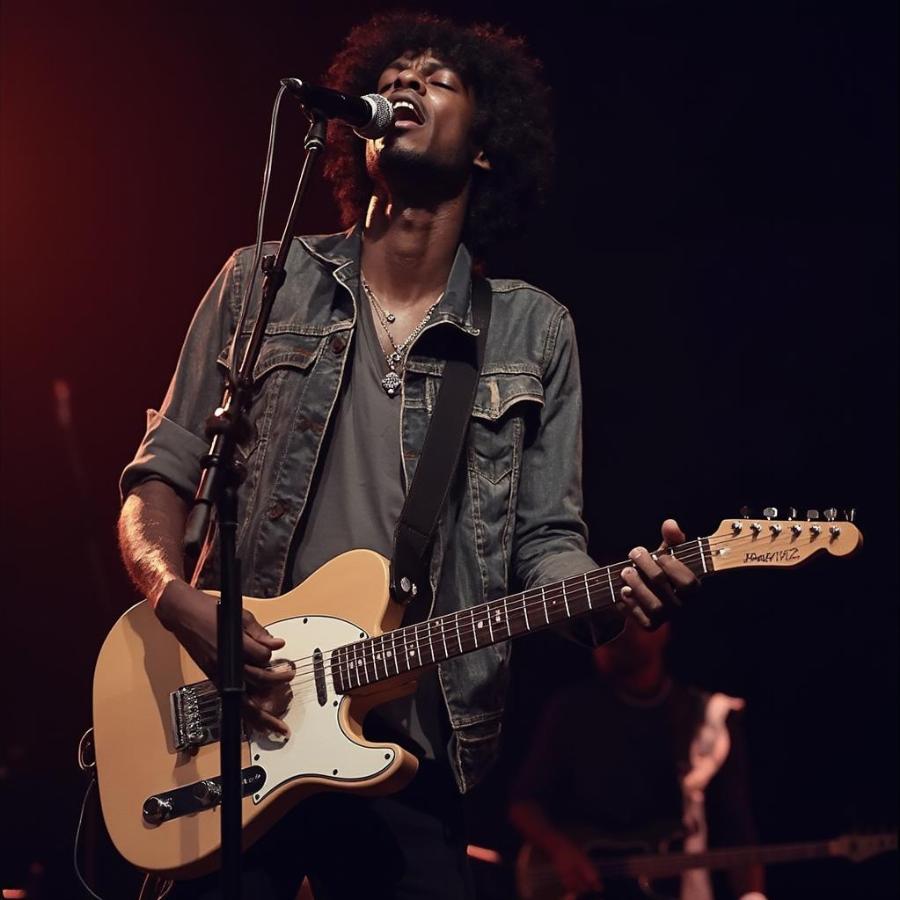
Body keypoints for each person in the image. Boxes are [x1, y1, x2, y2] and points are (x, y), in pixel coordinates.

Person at [117, 12, 698, 899]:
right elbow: (161, 471)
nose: (409, 85)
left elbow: (546, 541)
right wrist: (173, 596)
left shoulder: (532, 329)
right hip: (234, 729)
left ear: (487, 148)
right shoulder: (259, 280)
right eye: (396, 73)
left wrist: (613, 598)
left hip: (411, 750)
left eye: (440, 79)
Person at [509, 619, 767, 900]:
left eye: (627, 624)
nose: (612, 638)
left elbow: (737, 830)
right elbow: (524, 803)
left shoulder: (707, 717)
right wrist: (560, 851)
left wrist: (752, 894)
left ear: (662, 626)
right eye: (607, 625)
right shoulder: (571, 712)